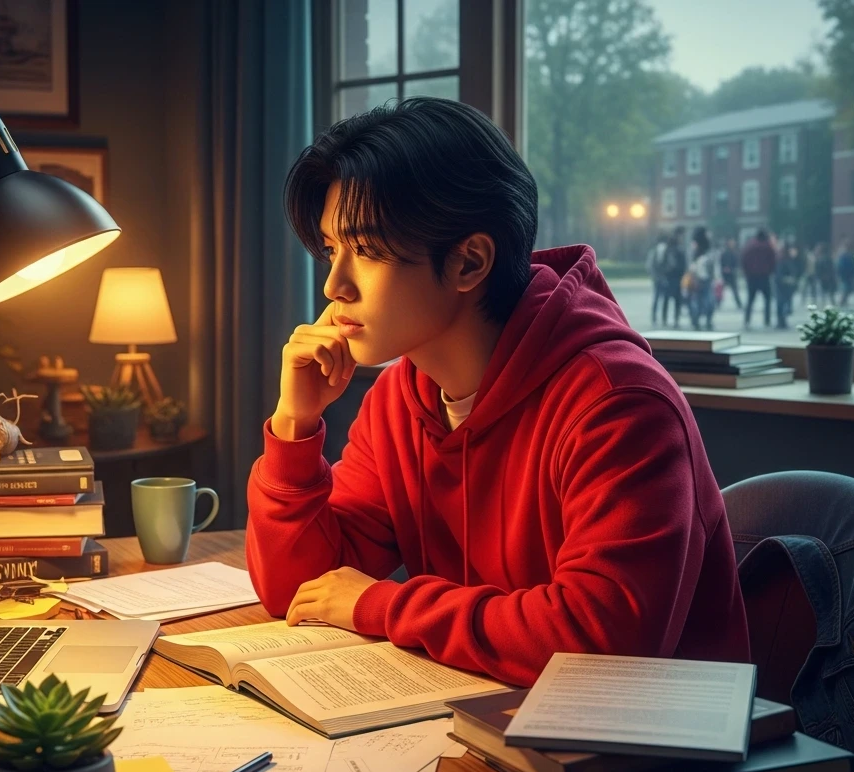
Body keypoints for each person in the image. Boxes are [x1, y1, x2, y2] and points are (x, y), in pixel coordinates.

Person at [247, 97, 750, 687]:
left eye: (366, 250)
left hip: (649, 757)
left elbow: (602, 644)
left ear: (469, 262)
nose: (335, 284)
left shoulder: (617, 403)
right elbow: (300, 592)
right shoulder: (400, 398)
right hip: (486, 720)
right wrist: (294, 426)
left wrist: (383, 605)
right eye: (333, 250)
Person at [740, 228, 777, 328]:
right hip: (764, 276)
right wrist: (770, 271)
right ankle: (767, 320)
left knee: (750, 300)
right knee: (767, 299)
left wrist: (747, 273)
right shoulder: (768, 246)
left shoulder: (749, 246)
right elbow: (773, 261)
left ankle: (747, 320)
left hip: (752, 277)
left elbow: (743, 260)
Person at [687, 227, 715, 331]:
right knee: (706, 301)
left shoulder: (695, 248)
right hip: (703, 279)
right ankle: (705, 320)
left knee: (698, 301)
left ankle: (696, 321)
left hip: (698, 278)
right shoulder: (706, 250)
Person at [660, 227, 687, 328]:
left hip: (670, 277)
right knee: (675, 300)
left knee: (668, 299)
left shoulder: (669, 249)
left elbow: (663, 263)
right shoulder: (678, 249)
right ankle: (674, 319)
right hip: (675, 277)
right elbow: (683, 264)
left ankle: (666, 318)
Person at [775, 241, 803, 330]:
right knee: (782, 303)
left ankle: (781, 321)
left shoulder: (782, 260)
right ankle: (782, 321)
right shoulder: (786, 260)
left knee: (781, 303)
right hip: (784, 284)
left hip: (782, 284)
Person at [646, 233, 668, 326]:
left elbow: (649, 265)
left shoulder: (654, 250)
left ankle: (654, 318)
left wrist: (654, 275)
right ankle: (664, 318)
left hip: (657, 277)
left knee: (657, 298)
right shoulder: (667, 250)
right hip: (664, 278)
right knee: (664, 299)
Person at [719, 237, 741, 309]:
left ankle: (739, 304)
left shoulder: (734, 252)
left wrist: (731, 269)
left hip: (732, 274)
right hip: (725, 274)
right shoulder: (725, 252)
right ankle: (717, 302)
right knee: (721, 290)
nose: (732, 244)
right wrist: (724, 268)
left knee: (735, 290)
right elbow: (722, 262)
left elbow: (736, 263)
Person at [836, 240, 854, 306]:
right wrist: (839, 274)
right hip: (844, 275)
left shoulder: (850, 254)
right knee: (845, 288)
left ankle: (844, 300)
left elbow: (853, 265)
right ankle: (842, 301)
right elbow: (840, 265)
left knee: (848, 289)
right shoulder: (843, 255)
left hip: (849, 274)